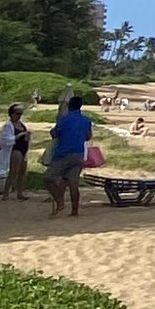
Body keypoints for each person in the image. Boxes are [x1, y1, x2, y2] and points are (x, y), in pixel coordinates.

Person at [44, 90, 93, 219]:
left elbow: (55, 134)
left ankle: (59, 200)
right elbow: (88, 137)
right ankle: (74, 210)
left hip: (63, 153)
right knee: (73, 184)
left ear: (69, 106)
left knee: (49, 178)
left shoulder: (64, 119)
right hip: (78, 154)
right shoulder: (86, 120)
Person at [0, 104, 31, 201]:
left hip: (23, 148)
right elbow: (6, 139)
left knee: (22, 172)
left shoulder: (21, 124)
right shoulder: (7, 126)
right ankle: (6, 193)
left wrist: (27, 137)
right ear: (11, 114)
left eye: (21, 114)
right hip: (15, 148)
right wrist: (21, 134)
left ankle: (20, 193)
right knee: (13, 172)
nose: (19, 116)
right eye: (17, 113)